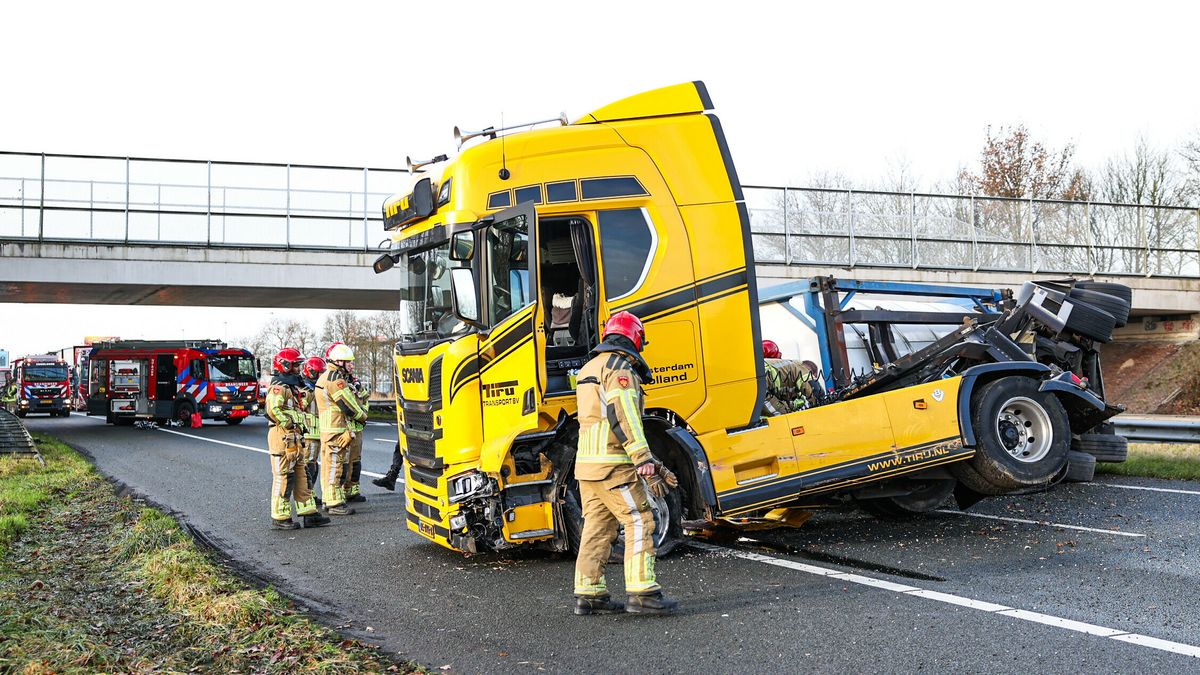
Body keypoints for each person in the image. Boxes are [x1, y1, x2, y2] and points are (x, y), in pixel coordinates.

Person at [572, 311, 678, 616]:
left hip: (588, 465)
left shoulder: (588, 368)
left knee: (597, 527)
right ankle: (643, 593)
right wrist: (643, 458)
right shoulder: (620, 369)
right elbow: (624, 415)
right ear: (635, 339)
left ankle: (589, 593)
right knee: (639, 520)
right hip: (613, 464)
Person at [265, 348, 330, 530]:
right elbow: (274, 410)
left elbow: (303, 405)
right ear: (285, 366)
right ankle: (280, 517)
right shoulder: (279, 388)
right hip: (282, 437)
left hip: (295, 438)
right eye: (295, 365)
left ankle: (308, 513)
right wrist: (292, 421)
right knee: (284, 478)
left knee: (303, 476)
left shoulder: (292, 388)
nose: (298, 369)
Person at [315, 343, 368, 516]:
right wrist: (363, 416)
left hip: (329, 429)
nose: (352, 365)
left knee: (330, 466)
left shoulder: (327, 376)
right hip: (336, 429)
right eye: (348, 362)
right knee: (335, 467)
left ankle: (330, 499)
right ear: (338, 362)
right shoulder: (335, 380)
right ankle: (333, 503)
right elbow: (348, 406)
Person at [762, 340, 817, 416]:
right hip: (759, 390)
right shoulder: (796, 368)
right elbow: (812, 388)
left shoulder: (783, 370)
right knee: (785, 417)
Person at [343, 362, 371, 503]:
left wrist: (364, 413)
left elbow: (365, 398)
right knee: (342, 463)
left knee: (356, 461)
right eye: (348, 363)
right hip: (344, 429)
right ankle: (338, 492)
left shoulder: (356, 383)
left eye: (353, 363)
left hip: (358, 428)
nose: (352, 366)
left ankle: (352, 491)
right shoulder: (337, 383)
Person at [300, 356, 326, 506]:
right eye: (319, 373)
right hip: (310, 434)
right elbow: (300, 407)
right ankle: (307, 495)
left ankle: (311, 493)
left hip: (317, 433)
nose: (322, 376)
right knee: (309, 465)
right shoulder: (307, 390)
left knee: (313, 465)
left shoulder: (316, 388)